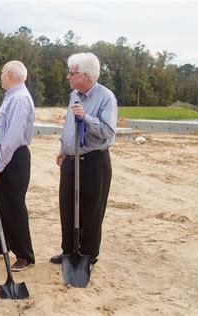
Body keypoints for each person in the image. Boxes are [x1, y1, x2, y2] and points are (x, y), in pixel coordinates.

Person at [50, 52, 117, 267]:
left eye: (72, 73)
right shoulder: (74, 95)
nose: (68, 77)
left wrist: (85, 117)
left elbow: (107, 131)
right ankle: (69, 252)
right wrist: (63, 148)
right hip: (71, 160)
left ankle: (87, 256)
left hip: (94, 161)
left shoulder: (106, 97)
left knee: (91, 211)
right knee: (67, 206)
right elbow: (69, 125)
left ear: (86, 76)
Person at [0, 60, 36, 272]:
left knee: (13, 206)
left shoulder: (20, 99)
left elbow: (13, 136)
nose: (1, 76)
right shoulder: (10, 97)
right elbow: (0, 129)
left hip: (13, 160)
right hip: (0, 156)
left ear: (10, 74)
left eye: (3, 72)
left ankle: (24, 255)